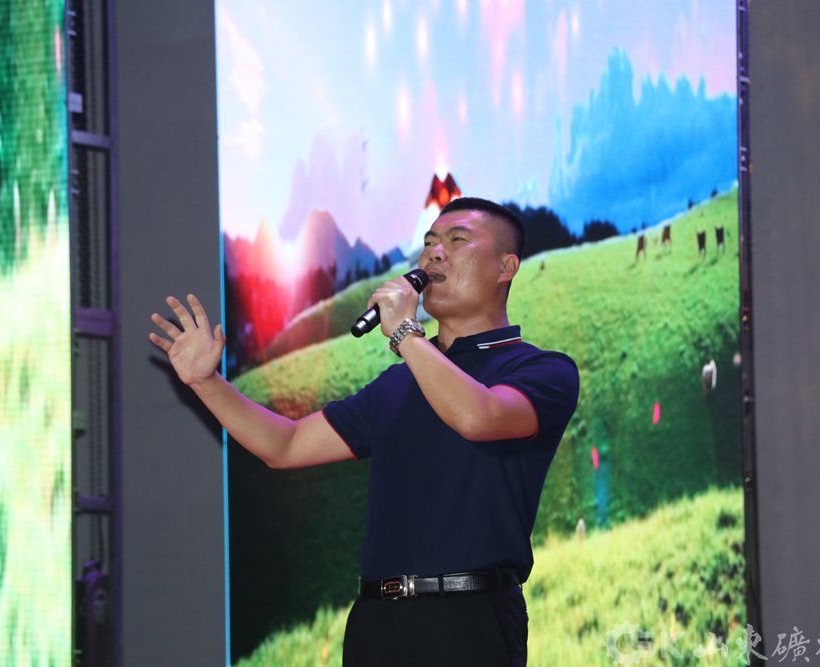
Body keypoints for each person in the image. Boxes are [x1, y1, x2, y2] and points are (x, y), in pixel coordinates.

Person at [149, 197, 579, 666]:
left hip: (469, 620)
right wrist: (206, 382)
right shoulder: (399, 383)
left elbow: (478, 416)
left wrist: (406, 334)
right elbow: (285, 445)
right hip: (376, 621)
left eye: (457, 240)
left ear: (505, 267)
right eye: (429, 242)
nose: (434, 252)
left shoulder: (542, 370)